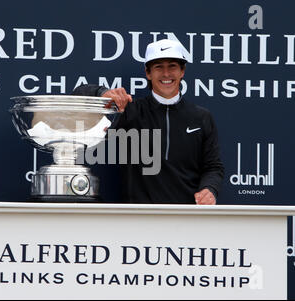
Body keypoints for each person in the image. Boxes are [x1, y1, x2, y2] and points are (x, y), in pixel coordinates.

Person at [73, 39, 224, 204]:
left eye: (172, 66)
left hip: (186, 218)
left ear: (182, 71)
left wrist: (210, 189)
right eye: (159, 67)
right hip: (139, 219)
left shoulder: (202, 117)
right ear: (148, 73)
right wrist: (103, 94)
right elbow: (77, 94)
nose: (166, 74)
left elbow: (213, 167)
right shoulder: (130, 111)